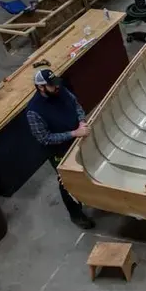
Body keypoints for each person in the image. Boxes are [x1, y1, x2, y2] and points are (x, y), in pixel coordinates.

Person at [26, 69, 95, 229]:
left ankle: (93, 196)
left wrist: (81, 121)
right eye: (52, 86)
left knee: (88, 167)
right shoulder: (34, 112)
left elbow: (76, 105)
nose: (57, 88)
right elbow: (44, 138)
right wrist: (74, 133)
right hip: (59, 151)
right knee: (66, 181)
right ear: (41, 87)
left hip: (78, 139)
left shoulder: (60, 90)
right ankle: (76, 214)